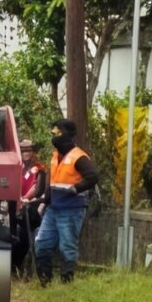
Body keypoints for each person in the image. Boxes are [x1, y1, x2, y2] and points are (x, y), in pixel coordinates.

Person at [34, 119, 99, 285]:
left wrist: (76, 189)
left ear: (67, 134)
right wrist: (43, 203)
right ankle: (45, 281)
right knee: (42, 243)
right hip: (53, 209)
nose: (54, 135)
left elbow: (92, 177)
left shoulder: (79, 156)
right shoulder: (55, 156)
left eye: (58, 131)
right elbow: (53, 183)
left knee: (67, 247)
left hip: (71, 209)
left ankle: (66, 281)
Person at [11, 138, 45, 276]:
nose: (26, 153)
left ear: (33, 152)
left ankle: (18, 265)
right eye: (23, 150)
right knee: (11, 236)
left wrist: (26, 198)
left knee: (25, 239)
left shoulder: (39, 167)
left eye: (29, 150)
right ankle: (11, 267)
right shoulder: (15, 166)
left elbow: (37, 187)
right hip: (12, 204)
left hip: (29, 206)